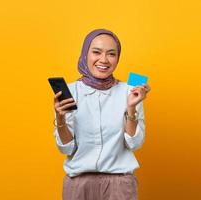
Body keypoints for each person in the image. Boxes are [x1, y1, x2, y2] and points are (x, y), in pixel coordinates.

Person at [52, 29, 150, 200]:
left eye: (111, 54)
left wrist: (132, 108)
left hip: (120, 185)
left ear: (118, 58)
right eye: (96, 52)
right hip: (78, 185)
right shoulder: (69, 91)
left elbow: (135, 144)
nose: (103, 60)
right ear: (85, 54)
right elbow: (66, 148)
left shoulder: (131, 90)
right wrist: (60, 120)